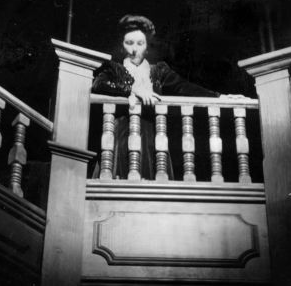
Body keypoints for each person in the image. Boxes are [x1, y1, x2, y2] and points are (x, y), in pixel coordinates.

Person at [91, 15, 248, 178]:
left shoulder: (158, 71)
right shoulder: (114, 69)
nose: (134, 49)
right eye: (129, 43)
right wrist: (133, 90)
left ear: (147, 46)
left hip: (151, 134)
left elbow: (184, 87)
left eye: (140, 43)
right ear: (122, 46)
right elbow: (98, 84)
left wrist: (220, 97)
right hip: (121, 135)